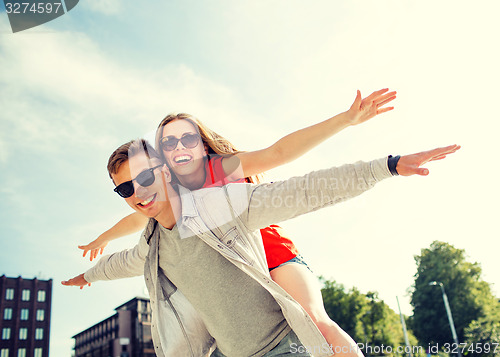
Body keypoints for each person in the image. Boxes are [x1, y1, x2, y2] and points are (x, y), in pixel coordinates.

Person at [62, 139, 460, 357]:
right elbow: (116, 264)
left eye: (146, 177)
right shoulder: (153, 249)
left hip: (285, 346)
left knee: (320, 319)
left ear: (166, 172)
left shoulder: (220, 206)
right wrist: (86, 276)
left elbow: (302, 191)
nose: (139, 193)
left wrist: (386, 165)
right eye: (125, 188)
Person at [77, 89, 396, 352]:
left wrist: (346, 119)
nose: (179, 147)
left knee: (316, 321)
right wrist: (103, 239)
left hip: (274, 258)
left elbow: (279, 152)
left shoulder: (220, 167)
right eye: (168, 143)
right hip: (239, 277)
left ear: (202, 143)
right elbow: (139, 216)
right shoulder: (172, 188)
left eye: (186, 138)